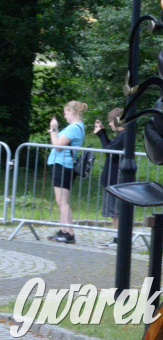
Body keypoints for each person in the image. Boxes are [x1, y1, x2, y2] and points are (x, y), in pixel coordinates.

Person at [46, 100, 87, 244]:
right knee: (62, 201)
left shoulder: (74, 128)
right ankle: (65, 230)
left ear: (72, 112)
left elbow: (57, 146)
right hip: (63, 164)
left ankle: (68, 232)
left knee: (62, 201)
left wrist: (53, 129)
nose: (64, 116)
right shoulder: (77, 127)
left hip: (63, 165)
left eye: (65, 113)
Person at [93, 107, 125, 247]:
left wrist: (101, 134)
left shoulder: (124, 135)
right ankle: (116, 238)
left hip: (116, 177)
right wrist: (103, 133)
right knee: (113, 212)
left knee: (116, 211)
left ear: (118, 121)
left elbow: (109, 151)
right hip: (112, 176)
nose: (110, 124)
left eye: (111, 122)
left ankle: (119, 239)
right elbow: (110, 148)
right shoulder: (121, 136)